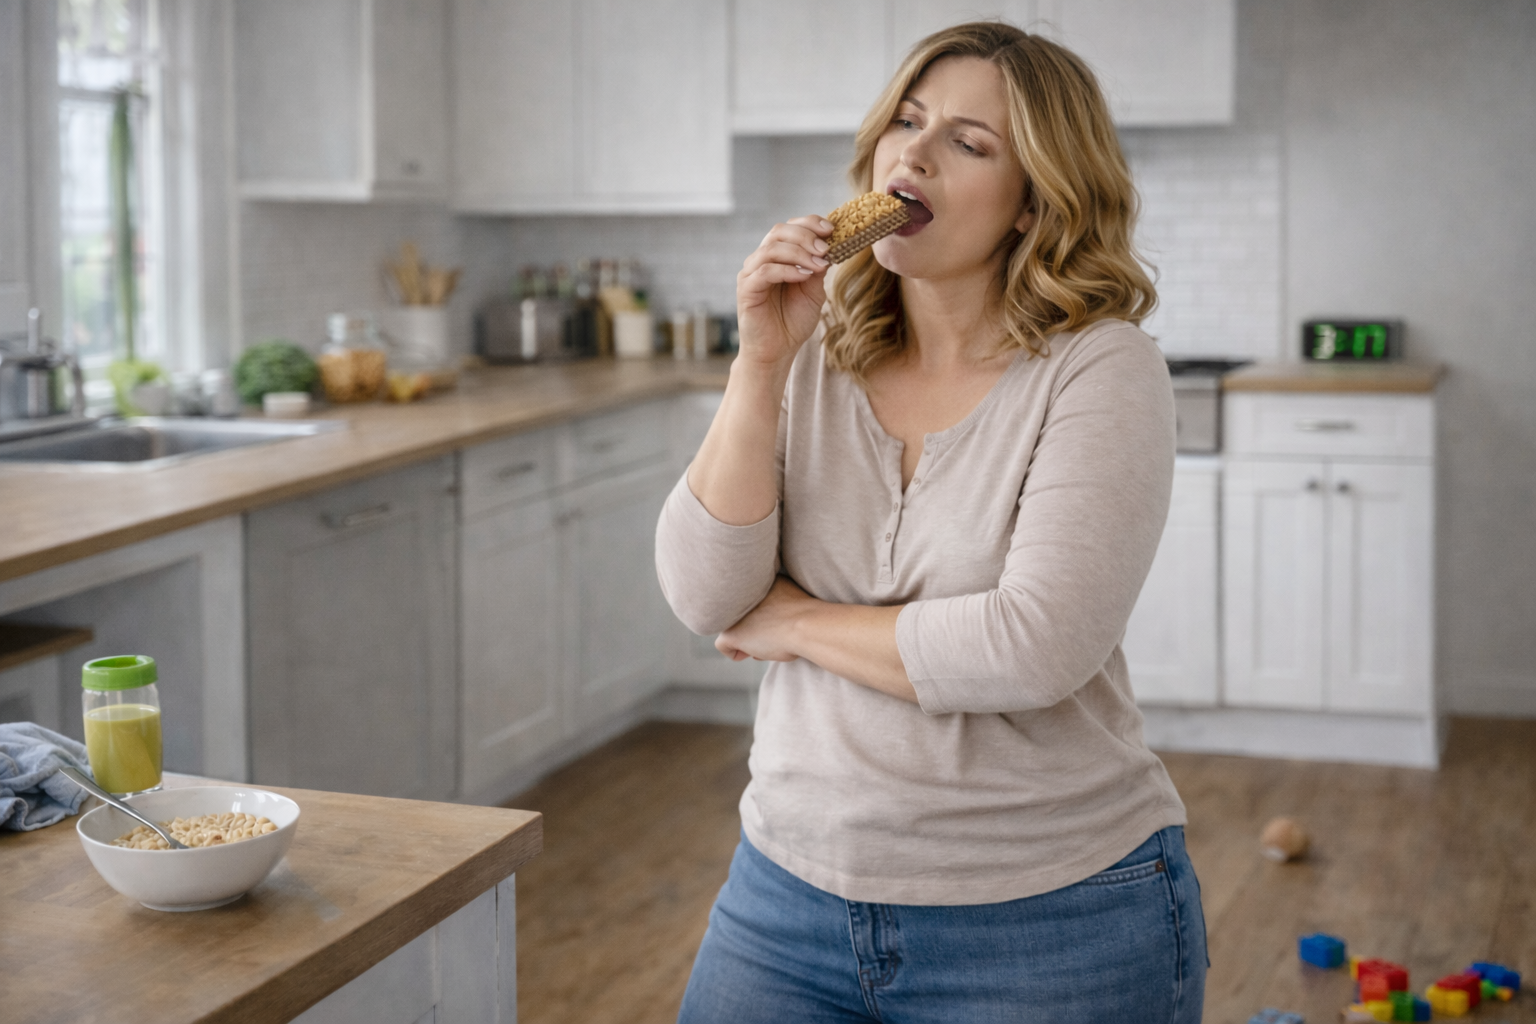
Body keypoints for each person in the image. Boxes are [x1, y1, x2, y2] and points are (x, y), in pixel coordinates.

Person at [655, 20, 1206, 1024]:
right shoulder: (813, 353)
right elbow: (704, 592)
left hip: (1051, 916)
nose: (914, 152)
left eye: (969, 141)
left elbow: (1030, 646)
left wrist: (790, 623)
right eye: (907, 121)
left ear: (1036, 202)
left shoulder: (1101, 367)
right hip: (788, 892)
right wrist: (761, 363)